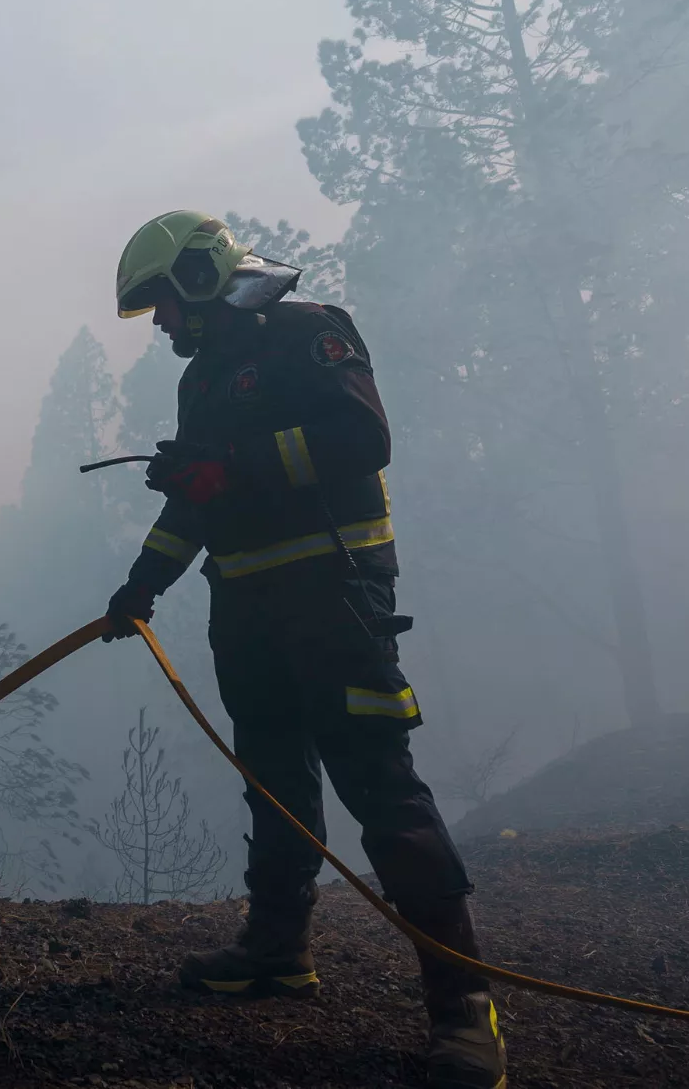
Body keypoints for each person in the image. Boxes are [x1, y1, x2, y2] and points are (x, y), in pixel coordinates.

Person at [102, 210, 505, 1089]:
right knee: (274, 783)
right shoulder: (203, 382)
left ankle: (465, 1013)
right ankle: (277, 953)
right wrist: (142, 586)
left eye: (164, 304)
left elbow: (363, 439)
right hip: (246, 614)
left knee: (381, 787)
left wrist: (234, 467)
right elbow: (198, 504)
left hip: (336, 601)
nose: (161, 324)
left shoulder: (308, 333)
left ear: (205, 277)